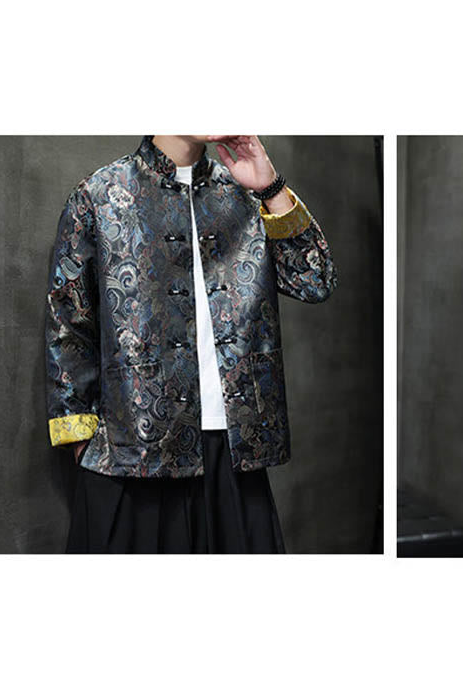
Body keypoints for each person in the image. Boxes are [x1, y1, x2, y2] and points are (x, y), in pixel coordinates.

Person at [45, 135, 336, 553]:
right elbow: (69, 322)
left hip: (234, 453)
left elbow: (315, 280)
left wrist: (271, 186)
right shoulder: (100, 195)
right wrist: (84, 444)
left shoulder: (245, 194)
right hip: (134, 455)